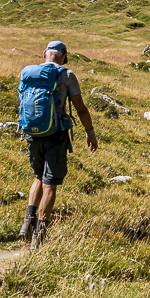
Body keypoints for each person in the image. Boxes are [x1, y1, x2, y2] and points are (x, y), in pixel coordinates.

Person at [19, 40, 98, 248]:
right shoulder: (67, 75)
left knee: (38, 176)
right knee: (50, 183)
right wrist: (90, 132)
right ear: (63, 56)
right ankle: (40, 234)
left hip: (32, 133)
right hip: (57, 135)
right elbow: (80, 108)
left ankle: (27, 223)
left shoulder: (28, 73)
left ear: (44, 54)